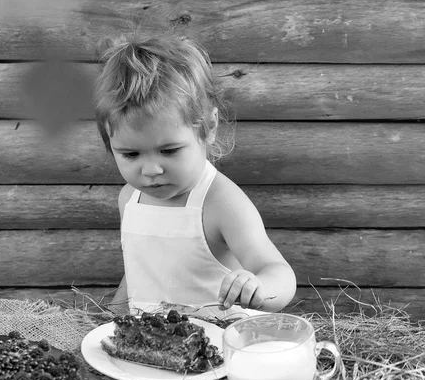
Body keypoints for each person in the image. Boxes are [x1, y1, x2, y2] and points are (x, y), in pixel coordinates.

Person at [94, 33, 297, 317]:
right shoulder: (129, 198)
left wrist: (259, 286)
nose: (151, 170)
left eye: (169, 151)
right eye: (131, 155)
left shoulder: (221, 203)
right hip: (157, 349)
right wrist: (111, 319)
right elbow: (140, 272)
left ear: (209, 127)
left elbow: (279, 272)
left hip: (224, 347)